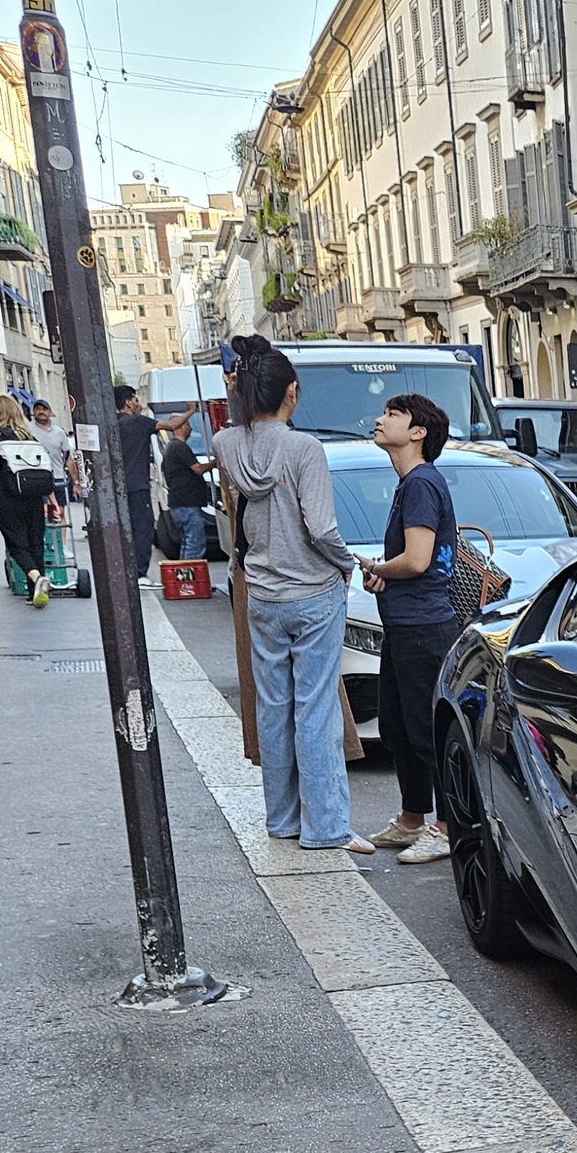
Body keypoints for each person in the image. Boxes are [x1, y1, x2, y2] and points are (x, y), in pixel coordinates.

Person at [216, 337, 370, 853]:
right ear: (292, 392)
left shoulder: (226, 445)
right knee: (316, 708)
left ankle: (281, 818)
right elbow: (322, 529)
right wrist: (348, 564)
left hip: (262, 593)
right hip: (313, 590)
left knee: (273, 706)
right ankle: (325, 826)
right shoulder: (305, 448)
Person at [357, 393, 459, 862]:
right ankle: (412, 818)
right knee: (397, 727)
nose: (380, 420)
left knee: (424, 731)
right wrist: (386, 571)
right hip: (404, 624)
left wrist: (380, 566)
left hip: (424, 626)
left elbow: (417, 560)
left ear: (417, 432)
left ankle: (445, 826)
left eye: (392, 415)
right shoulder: (409, 483)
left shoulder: (421, 483)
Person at [0, 393, 58, 607]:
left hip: (8, 494)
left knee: (16, 543)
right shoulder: (27, 435)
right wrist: (52, 499)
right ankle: (35, 593)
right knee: (35, 541)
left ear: (0, 411)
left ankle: (38, 579)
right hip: (34, 495)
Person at [158, 413, 216, 567]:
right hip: (186, 503)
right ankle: (191, 579)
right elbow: (197, 469)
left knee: (188, 542)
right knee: (194, 543)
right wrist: (216, 462)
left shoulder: (171, 447)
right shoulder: (179, 447)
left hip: (180, 503)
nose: (190, 428)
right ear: (181, 426)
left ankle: (186, 580)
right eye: (188, 424)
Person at [114, 384, 160, 574]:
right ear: (128, 402)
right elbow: (171, 426)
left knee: (127, 528)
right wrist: (190, 411)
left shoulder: (112, 424)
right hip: (139, 486)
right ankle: (139, 571)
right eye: (136, 400)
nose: (138, 404)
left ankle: (128, 567)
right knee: (143, 528)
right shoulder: (139, 422)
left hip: (119, 487)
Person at [31, 399, 77, 502]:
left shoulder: (59, 432)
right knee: (43, 512)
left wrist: (76, 481)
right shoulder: (28, 429)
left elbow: (68, 458)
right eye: (38, 409)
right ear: (33, 411)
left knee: (59, 514)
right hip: (36, 477)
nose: (41, 412)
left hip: (58, 477)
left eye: (44, 409)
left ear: (50, 412)